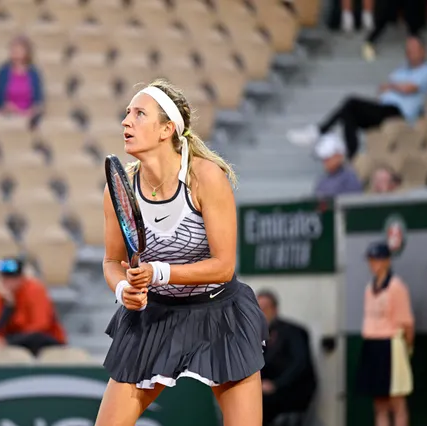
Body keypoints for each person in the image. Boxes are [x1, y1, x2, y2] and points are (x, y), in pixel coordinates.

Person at [96, 79, 268, 426]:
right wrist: (122, 289)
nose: (126, 122)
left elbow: (223, 266)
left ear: (167, 129)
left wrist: (158, 273)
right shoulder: (121, 188)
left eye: (139, 114)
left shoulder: (206, 177)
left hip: (219, 314)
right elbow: (112, 261)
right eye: (127, 114)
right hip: (155, 317)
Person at [287, 37, 427, 160]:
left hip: (400, 113)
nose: (410, 53)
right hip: (383, 109)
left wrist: (391, 87)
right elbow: (384, 90)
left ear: (423, 51)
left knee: (351, 102)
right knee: (349, 114)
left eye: (414, 50)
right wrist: (391, 88)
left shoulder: (426, 71)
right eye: (408, 50)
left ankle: (318, 131)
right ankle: (353, 157)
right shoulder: (401, 69)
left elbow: (408, 89)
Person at [357, 242, 414, 426]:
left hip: (391, 345)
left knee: (396, 402)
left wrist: (407, 348)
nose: (373, 264)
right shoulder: (369, 288)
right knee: (379, 404)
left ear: (387, 261)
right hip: (372, 345)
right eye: (371, 260)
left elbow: (407, 324)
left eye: (378, 259)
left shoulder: (397, 287)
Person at [256, 290, 317, 426]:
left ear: (275, 309)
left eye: (265, 308)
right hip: (266, 391)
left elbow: (300, 364)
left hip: (292, 390)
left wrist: (276, 384)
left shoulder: (293, 332)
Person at [0, 257, 66, 356]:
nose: (7, 281)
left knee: (36, 338)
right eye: (5, 277)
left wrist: (10, 341)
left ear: (21, 278)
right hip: (14, 338)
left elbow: (41, 325)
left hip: (43, 339)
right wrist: (8, 307)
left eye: (12, 278)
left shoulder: (35, 289)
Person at [0, 35, 44, 127]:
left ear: (26, 52)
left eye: (19, 50)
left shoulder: (34, 73)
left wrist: (32, 111)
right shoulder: (3, 71)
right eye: (13, 50)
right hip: (8, 114)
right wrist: (7, 107)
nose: (15, 52)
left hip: (29, 115)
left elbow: (38, 99)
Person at [313, 133, 363, 198]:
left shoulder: (349, 178)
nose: (325, 162)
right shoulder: (322, 181)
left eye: (327, 158)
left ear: (339, 155)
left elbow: (353, 203)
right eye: (323, 159)